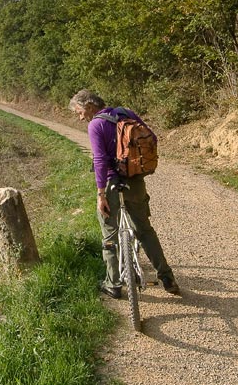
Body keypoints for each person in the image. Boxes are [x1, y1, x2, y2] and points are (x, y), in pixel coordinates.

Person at [69, 89, 180, 299]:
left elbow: (100, 160)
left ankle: (113, 284)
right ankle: (167, 277)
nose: (80, 117)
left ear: (89, 106)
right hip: (135, 180)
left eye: (79, 112)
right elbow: (152, 138)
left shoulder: (96, 125)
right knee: (145, 231)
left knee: (109, 235)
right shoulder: (125, 112)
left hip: (111, 183)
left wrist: (101, 194)